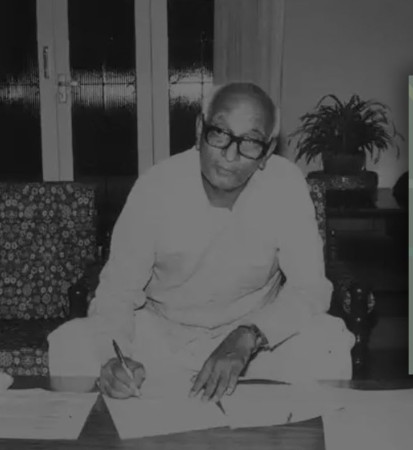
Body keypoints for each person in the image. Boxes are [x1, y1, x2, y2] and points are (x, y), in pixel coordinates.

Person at [47, 82, 354, 402]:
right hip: (164, 339)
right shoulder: (156, 186)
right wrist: (115, 359)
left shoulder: (285, 185)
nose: (230, 155)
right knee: (71, 342)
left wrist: (249, 335)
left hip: (253, 346)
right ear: (198, 130)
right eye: (219, 133)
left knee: (328, 340)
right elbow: (118, 291)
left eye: (250, 142)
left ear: (267, 151)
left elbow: (311, 289)